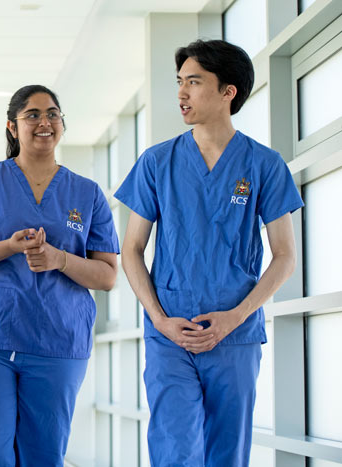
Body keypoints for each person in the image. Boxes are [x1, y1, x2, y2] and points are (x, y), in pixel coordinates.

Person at [114, 39, 304, 466]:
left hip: (234, 336)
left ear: (227, 92)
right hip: (171, 335)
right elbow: (132, 250)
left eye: (194, 82)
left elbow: (285, 256)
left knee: (227, 455)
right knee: (174, 450)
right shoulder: (157, 162)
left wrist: (237, 316)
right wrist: (160, 320)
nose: (181, 93)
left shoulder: (264, 165)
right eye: (179, 82)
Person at [0, 84, 119, 466]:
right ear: (12, 127)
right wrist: (7, 247)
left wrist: (61, 260)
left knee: (43, 455)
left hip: (57, 340)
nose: (45, 122)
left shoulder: (87, 193)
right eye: (33, 115)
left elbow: (107, 276)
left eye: (53, 113)